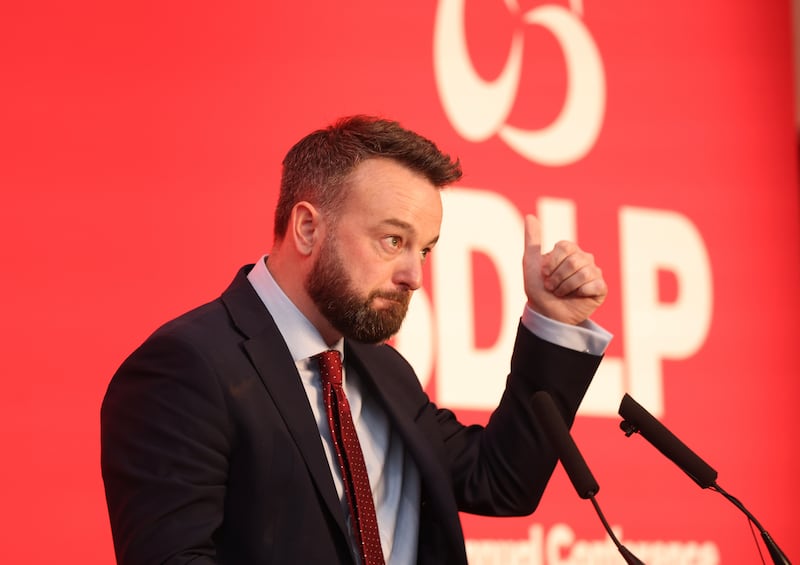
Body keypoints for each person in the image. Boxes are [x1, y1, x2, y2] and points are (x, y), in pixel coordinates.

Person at [101, 115, 611, 565]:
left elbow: (501, 482)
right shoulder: (185, 368)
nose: (414, 274)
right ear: (306, 228)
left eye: (426, 250)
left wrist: (554, 322)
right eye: (393, 240)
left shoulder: (382, 369)